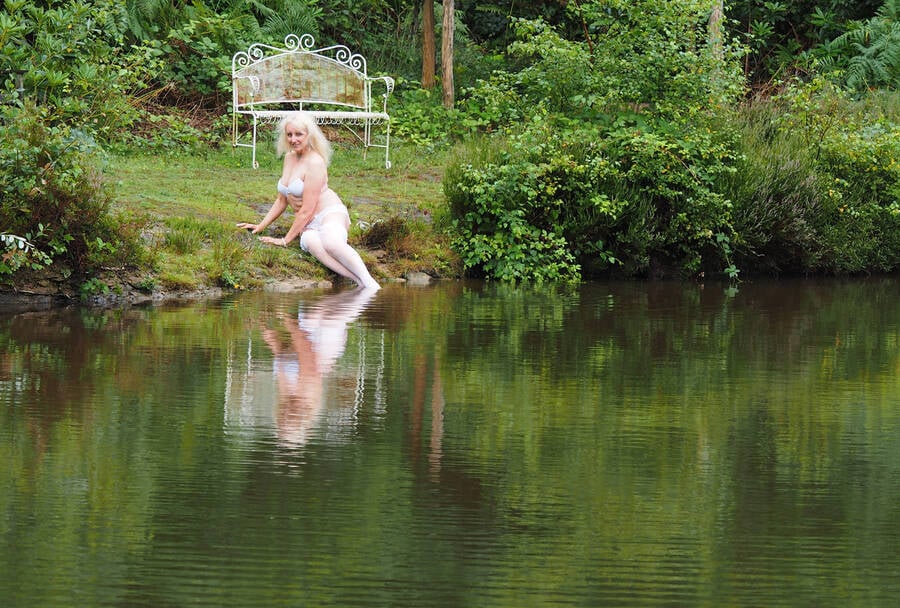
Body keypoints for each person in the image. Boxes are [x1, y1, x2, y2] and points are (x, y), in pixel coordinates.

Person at [237, 111, 380, 289]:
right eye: (289, 134)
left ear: (308, 135)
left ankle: (370, 283)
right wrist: (260, 226)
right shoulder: (289, 158)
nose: (293, 139)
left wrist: (285, 240)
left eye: (298, 134)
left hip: (329, 213)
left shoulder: (315, 162)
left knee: (331, 242)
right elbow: (282, 199)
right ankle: (359, 282)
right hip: (308, 221)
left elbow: (308, 208)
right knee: (311, 242)